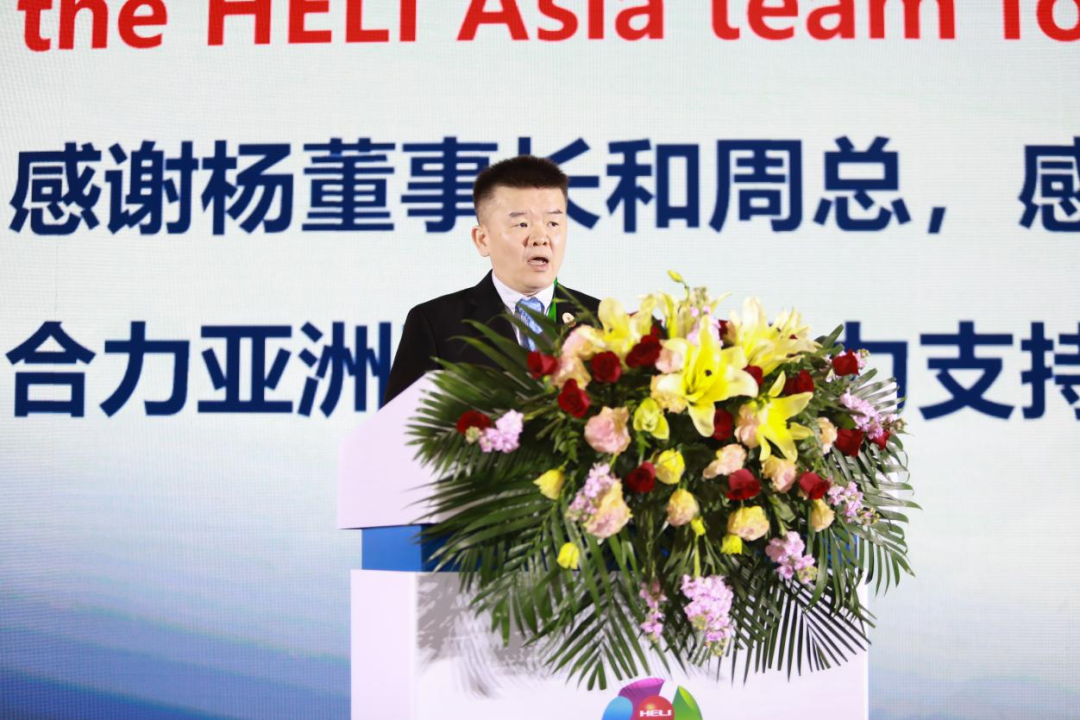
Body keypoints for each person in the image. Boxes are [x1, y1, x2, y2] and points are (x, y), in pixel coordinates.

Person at [383, 155, 602, 405]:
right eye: (521, 224)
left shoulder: (600, 321)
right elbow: (399, 426)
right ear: (482, 239)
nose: (541, 238)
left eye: (553, 223)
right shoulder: (436, 324)